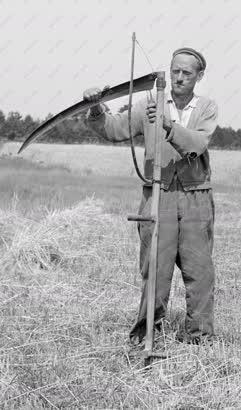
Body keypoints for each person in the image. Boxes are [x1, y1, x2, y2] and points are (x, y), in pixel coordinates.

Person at [84, 47, 218, 344]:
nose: (179, 78)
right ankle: (147, 334)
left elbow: (197, 144)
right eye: (175, 71)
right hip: (158, 194)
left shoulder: (206, 108)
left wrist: (169, 125)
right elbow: (113, 129)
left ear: (199, 76)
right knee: (155, 269)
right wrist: (96, 108)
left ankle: (200, 337)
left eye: (187, 73)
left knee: (200, 273)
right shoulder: (149, 104)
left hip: (196, 198)